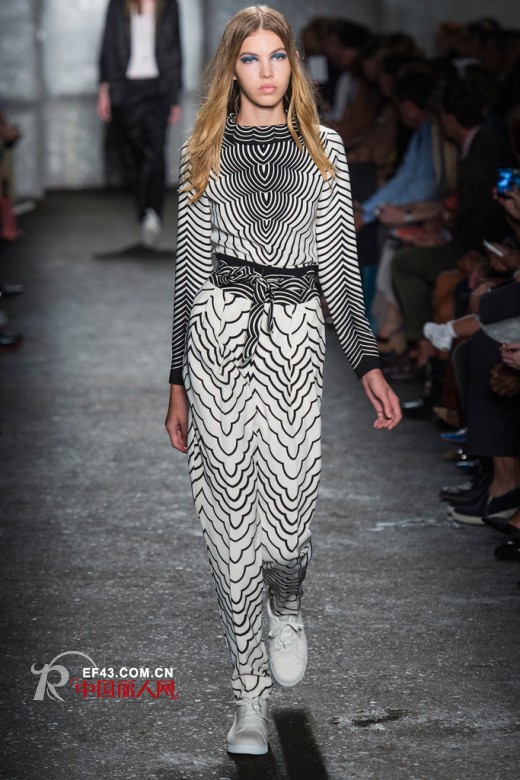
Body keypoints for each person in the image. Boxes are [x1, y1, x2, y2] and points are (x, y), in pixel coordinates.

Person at [164, 4, 401, 757]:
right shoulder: (202, 150)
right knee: (230, 520)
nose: (265, 72)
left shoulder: (325, 148)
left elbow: (340, 270)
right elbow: (189, 273)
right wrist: (177, 380)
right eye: (250, 59)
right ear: (231, 69)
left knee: (291, 503)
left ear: (292, 64)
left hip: (295, 339)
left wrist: (368, 363)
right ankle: (248, 698)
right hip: (218, 334)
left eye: (276, 57)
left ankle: (288, 594)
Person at [97, 0, 182, 247]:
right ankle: (144, 209)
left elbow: (175, 47)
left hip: (158, 88)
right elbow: (109, 44)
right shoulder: (118, 4)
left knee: (155, 150)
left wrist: (174, 96)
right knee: (132, 154)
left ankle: (153, 213)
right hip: (127, 88)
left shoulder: (169, 4)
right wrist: (104, 90)